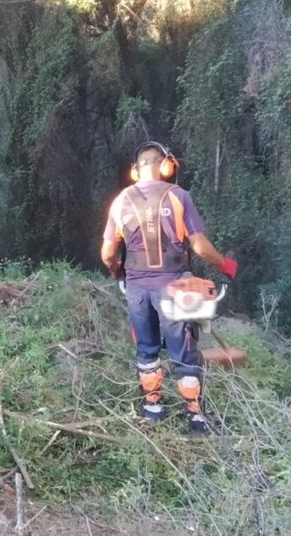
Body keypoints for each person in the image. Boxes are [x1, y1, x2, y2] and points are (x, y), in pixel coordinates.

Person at [100, 142, 238, 435]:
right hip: (175, 289)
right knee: (184, 351)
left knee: (146, 349)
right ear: (165, 166)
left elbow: (107, 254)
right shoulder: (179, 196)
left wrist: (117, 271)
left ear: (136, 171)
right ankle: (195, 417)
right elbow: (199, 247)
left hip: (137, 289)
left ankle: (153, 409)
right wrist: (225, 265)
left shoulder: (120, 201)